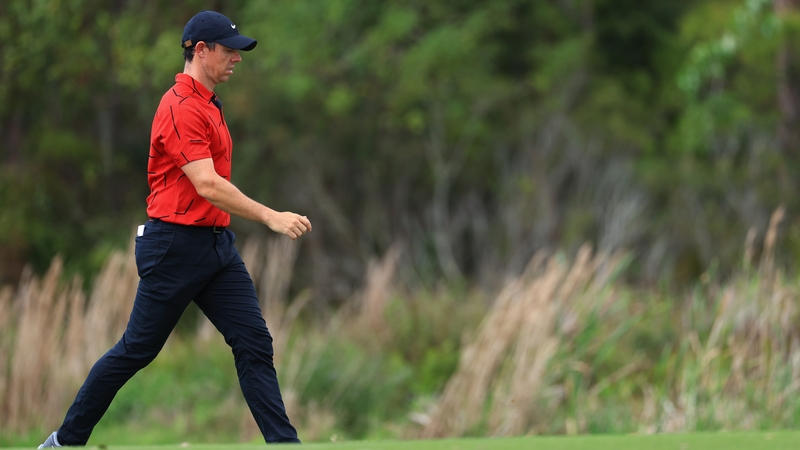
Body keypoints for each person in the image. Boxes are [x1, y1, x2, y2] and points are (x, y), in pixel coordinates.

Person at [38, 10, 309, 448]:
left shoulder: (209, 103)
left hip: (216, 247)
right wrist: (270, 216)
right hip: (174, 247)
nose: (237, 59)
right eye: (229, 50)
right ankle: (64, 442)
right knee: (137, 350)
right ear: (200, 50)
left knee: (254, 341)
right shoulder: (180, 106)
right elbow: (207, 184)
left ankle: (284, 444)